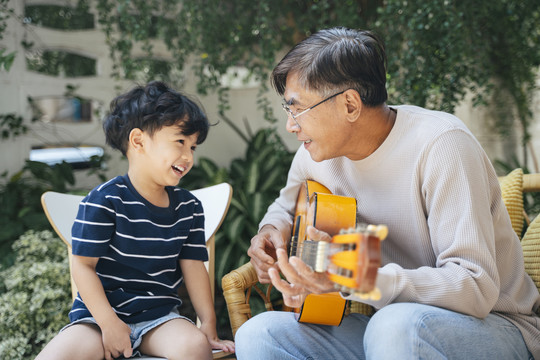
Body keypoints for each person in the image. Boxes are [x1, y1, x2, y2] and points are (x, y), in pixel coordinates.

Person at [235, 27, 540, 359]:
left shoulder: (442, 144)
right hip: (392, 333)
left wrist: (353, 277)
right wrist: (270, 233)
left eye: (298, 109)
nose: (290, 125)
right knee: (259, 334)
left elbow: (474, 289)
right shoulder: (315, 155)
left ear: (350, 104)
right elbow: (284, 205)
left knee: (394, 325)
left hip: (497, 328)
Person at [36, 81, 234, 360]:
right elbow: (82, 266)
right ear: (138, 141)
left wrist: (209, 326)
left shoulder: (188, 207)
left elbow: (193, 267)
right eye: (180, 142)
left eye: (193, 147)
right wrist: (108, 323)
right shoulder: (104, 200)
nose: (188, 156)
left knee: (195, 347)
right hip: (97, 320)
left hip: (159, 319)